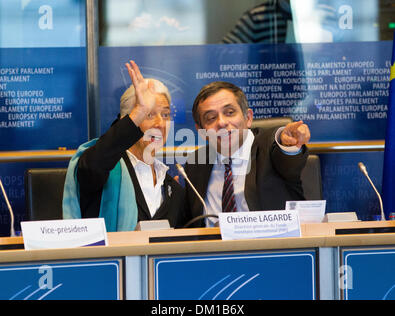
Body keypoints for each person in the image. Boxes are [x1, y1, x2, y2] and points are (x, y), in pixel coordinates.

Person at [63, 60, 184, 230]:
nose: (160, 123)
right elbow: (91, 167)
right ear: (128, 119)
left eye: (165, 115)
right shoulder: (106, 169)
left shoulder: (173, 187)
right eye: (149, 114)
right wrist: (139, 111)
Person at [179, 81, 310, 228]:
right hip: (213, 248)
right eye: (211, 118)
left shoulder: (269, 148)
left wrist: (288, 144)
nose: (221, 122)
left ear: (248, 118)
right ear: (201, 130)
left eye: (229, 112)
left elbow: (287, 159)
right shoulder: (195, 163)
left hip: (271, 246)